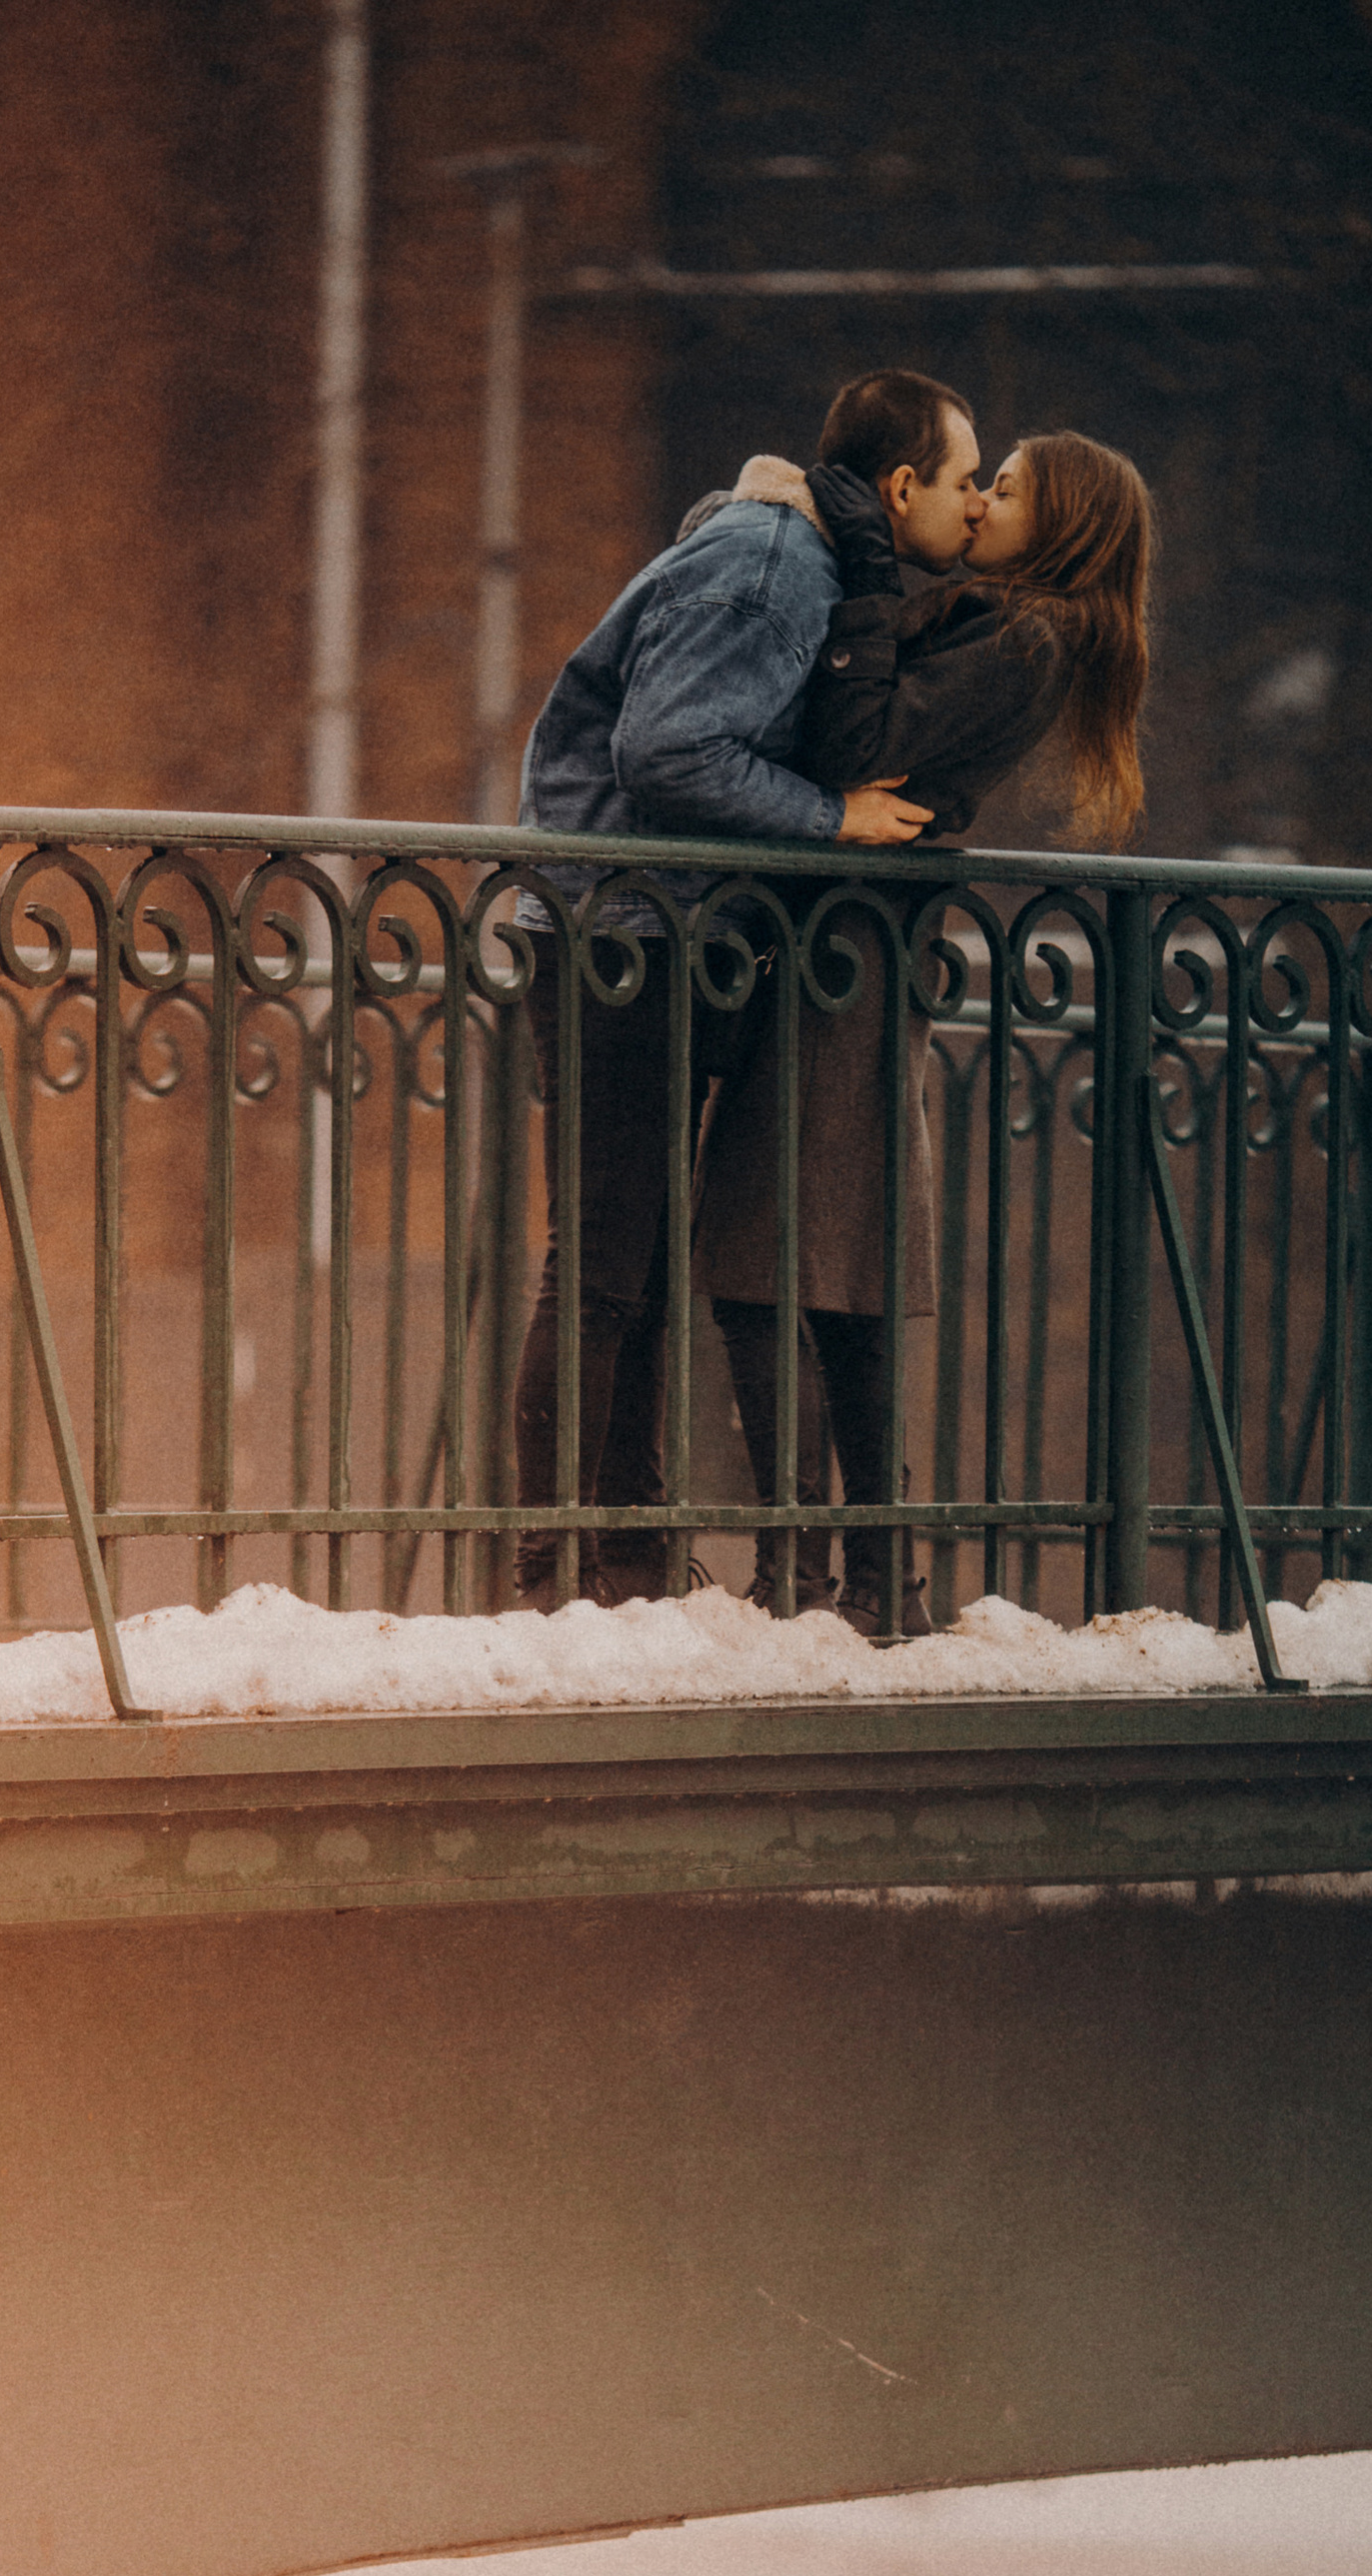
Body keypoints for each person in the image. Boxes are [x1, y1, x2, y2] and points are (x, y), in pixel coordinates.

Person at [505, 372, 979, 1607]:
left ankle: (618, 1559)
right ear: (901, 487)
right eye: (967, 481)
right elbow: (665, 749)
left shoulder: (795, 557)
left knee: (632, 1265)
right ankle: (550, 1573)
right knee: (602, 1265)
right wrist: (831, 817)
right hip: (618, 933)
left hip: (644, 929)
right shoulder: (774, 569)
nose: (978, 506)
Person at [694, 428, 1154, 1636]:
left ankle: (812, 1575)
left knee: (763, 1257)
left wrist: (863, 579)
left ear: (1062, 524)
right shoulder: (998, 621)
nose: (982, 503)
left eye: (1006, 489)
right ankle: (870, 1579)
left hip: (847, 953)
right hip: (843, 947)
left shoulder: (1030, 636)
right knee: (830, 1266)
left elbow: (857, 748)